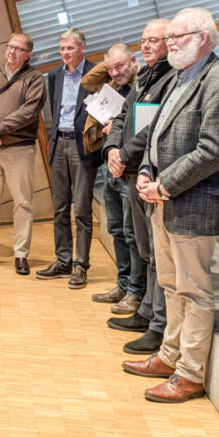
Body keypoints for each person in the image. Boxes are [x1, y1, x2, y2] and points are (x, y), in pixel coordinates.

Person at [122, 7, 219, 404]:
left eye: (178, 36)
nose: (171, 42)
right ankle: (169, 354)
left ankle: (189, 374)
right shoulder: (180, 76)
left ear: (204, 38)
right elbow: (155, 133)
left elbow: (214, 150)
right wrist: (144, 170)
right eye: (169, 36)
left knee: (193, 291)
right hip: (163, 197)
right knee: (170, 284)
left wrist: (164, 185)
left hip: (194, 202)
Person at [105, 20, 175, 356]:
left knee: (156, 253)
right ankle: (147, 311)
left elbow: (154, 129)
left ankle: (157, 323)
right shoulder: (145, 77)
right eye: (142, 41)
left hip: (149, 173)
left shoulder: (170, 78)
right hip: (132, 171)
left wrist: (125, 154)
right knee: (145, 249)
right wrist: (112, 150)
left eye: (152, 41)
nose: (145, 46)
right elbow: (122, 117)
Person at [0, 33, 47, 275]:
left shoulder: (34, 79)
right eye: (10, 46)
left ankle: (21, 254)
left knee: (22, 202)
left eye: (18, 48)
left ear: (28, 54)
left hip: (19, 149)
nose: (12, 51)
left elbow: (29, 112)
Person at [35, 28, 103, 287]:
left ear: (82, 48)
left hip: (82, 147)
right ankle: (63, 261)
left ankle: (80, 265)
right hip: (58, 145)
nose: (65, 53)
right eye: (62, 48)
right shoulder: (54, 75)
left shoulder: (97, 73)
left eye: (70, 48)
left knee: (82, 211)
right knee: (60, 207)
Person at [84, 44, 142, 314]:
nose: (116, 72)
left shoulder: (144, 83)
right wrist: (108, 66)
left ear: (134, 60)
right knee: (117, 230)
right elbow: (88, 81)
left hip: (133, 167)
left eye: (121, 66)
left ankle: (135, 290)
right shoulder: (114, 86)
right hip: (111, 164)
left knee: (132, 234)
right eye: (111, 68)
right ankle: (122, 284)